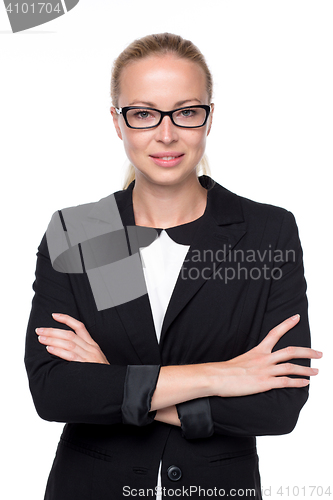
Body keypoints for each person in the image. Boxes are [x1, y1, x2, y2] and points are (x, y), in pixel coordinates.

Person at [25, 33, 322, 500]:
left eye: (186, 112)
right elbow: (54, 391)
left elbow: (279, 407)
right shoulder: (86, 230)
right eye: (143, 114)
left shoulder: (265, 231)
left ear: (208, 119)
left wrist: (116, 380)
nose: (167, 134)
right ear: (118, 123)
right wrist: (222, 376)